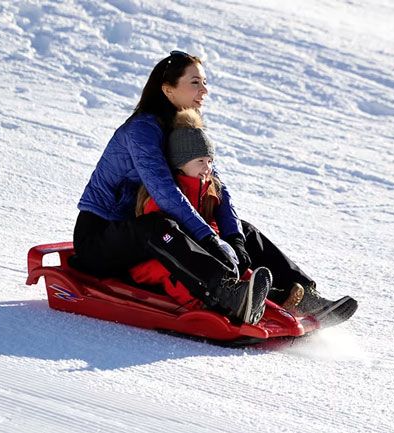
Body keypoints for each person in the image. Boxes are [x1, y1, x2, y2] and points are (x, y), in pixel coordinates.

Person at [71, 51, 349, 327]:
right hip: (102, 238)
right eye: (195, 82)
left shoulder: (183, 128)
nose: (205, 90)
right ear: (168, 90)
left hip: (145, 229)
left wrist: (235, 240)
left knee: (242, 228)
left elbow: (217, 187)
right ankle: (228, 293)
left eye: (205, 82)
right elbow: (165, 193)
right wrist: (209, 239)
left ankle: (302, 295)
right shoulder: (141, 130)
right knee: (160, 226)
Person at [128, 109, 303, 316]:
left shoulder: (207, 190)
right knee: (192, 265)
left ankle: (265, 295)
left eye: (210, 161)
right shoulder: (165, 194)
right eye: (200, 162)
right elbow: (163, 237)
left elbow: (211, 225)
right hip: (160, 262)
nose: (207, 168)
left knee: (228, 252)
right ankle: (215, 302)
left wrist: (227, 246)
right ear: (180, 164)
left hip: (195, 259)